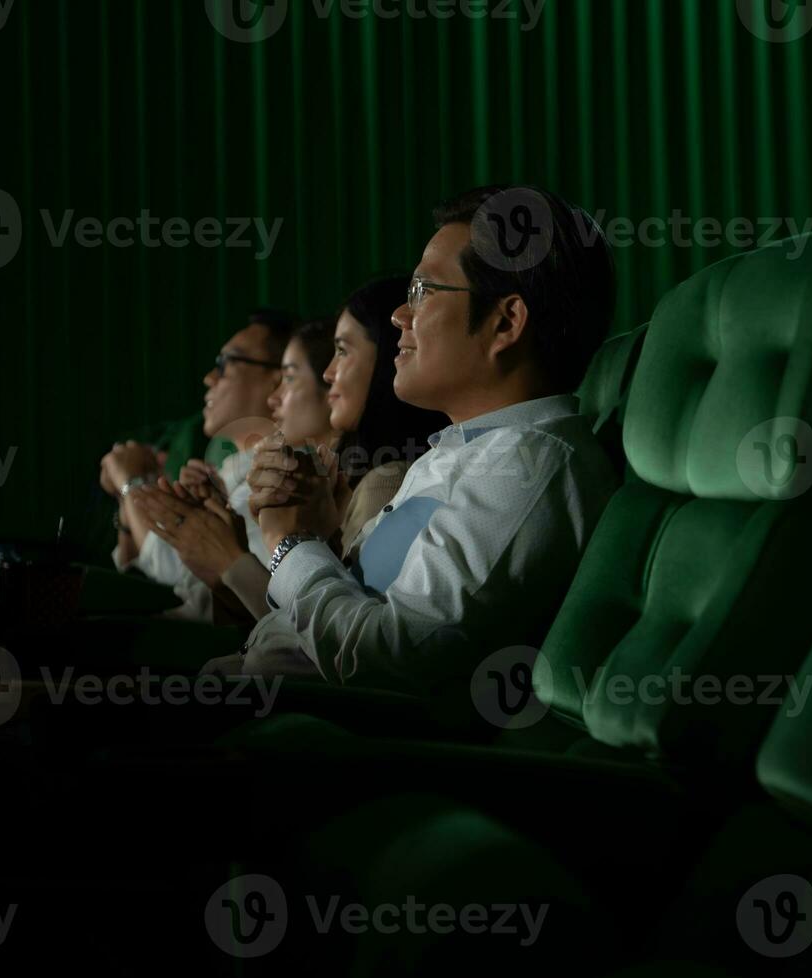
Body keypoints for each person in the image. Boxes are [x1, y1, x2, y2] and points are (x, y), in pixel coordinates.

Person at [225, 185, 619, 693]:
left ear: (506, 322)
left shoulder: (527, 463)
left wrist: (288, 545)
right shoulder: (464, 448)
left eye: (423, 292)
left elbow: (389, 659)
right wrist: (318, 533)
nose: (399, 316)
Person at [128, 279, 445, 621]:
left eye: (342, 351)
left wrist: (243, 557)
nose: (329, 374)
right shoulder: (337, 481)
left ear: (385, 359)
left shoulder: (385, 481)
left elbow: (329, 643)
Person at [100, 309, 294, 617]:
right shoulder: (231, 469)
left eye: (225, 363)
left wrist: (132, 482)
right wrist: (131, 502)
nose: (209, 378)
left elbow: (172, 575)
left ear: (279, 378)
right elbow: (136, 571)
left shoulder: (282, 474)